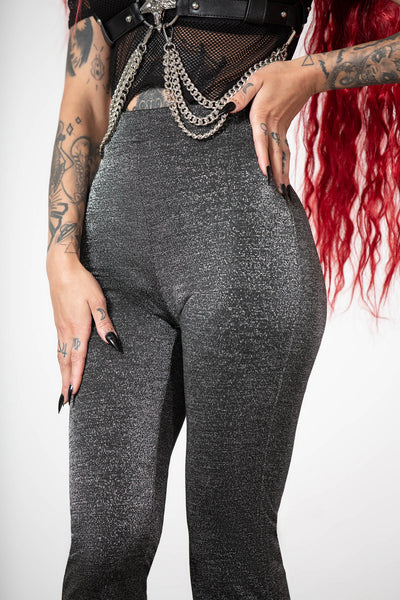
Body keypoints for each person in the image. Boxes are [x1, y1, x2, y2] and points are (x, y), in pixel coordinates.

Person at [47, 0, 400, 598]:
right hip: (111, 263)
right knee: (105, 547)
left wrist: (310, 74)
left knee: (231, 548)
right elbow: (84, 91)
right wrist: (59, 255)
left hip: (245, 243)